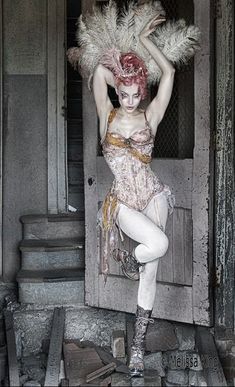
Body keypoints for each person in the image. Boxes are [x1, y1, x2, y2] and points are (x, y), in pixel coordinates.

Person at [93, 14, 175, 377]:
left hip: (153, 194)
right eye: (122, 92)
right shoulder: (107, 115)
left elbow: (169, 74)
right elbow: (99, 73)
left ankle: (137, 352)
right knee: (158, 244)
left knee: (152, 267)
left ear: (143, 91)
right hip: (123, 200)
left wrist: (145, 40)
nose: (127, 99)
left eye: (134, 93)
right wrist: (124, 70)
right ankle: (130, 259)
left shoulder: (151, 116)